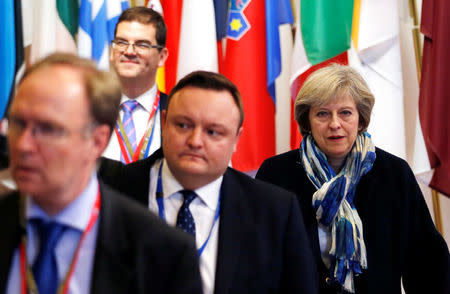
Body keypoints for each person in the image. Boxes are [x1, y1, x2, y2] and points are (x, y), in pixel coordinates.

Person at [99, 70, 318, 294]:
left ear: (236, 139)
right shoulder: (109, 190)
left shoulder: (275, 211)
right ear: (164, 123)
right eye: (183, 125)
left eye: (213, 132)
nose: (195, 141)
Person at [0, 53, 203, 294]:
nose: (23, 145)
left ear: (97, 141)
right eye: (18, 123)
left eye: (48, 129)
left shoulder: (161, 252)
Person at [256, 64, 450, 294]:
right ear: (307, 121)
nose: (335, 124)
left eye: (345, 112)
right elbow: (257, 261)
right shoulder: (276, 174)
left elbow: (428, 267)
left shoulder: (394, 174)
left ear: (361, 119)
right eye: (322, 113)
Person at [104, 7, 169, 163]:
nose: (129, 51)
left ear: (161, 57)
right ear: (112, 52)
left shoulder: (176, 112)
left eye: (142, 45)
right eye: (121, 42)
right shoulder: (88, 109)